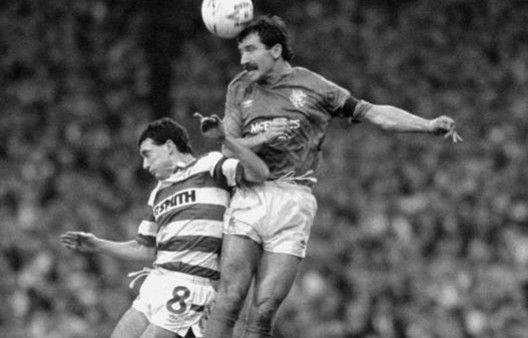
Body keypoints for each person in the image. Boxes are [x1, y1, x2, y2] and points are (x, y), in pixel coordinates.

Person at [204, 15, 463, 338]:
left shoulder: (315, 87)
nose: (243, 59)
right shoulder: (239, 87)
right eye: (240, 51)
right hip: (251, 191)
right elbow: (228, 147)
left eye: (250, 49)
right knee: (229, 298)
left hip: (294, 201)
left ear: (275, 50)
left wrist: (425, 124)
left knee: (264, 309)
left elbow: (373, 113)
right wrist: (263, 138)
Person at [60, 116, 269, 338]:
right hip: (156, 282)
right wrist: (98, 244)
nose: (144, 165)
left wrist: (226, 139)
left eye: (147, 154)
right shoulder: (159, 191)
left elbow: (260, 173)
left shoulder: (209, 165)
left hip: (188, 283)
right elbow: (144, 248)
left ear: (169, 147)